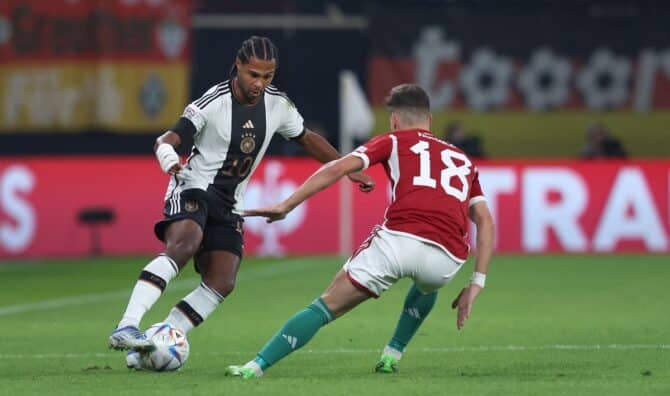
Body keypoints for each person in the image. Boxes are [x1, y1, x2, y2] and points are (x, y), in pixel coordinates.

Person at [107, 36, 375, 361]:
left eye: (268, 76)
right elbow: (168, 137)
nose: (260, 83)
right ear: (238, 66)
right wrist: (167, 154)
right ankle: (127, 325)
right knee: (184, 245)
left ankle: (159, 341)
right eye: (253, 74)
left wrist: (346, 166)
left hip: (231, 202)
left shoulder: (278, 105)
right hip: (194, 187)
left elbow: (306, 138)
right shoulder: (213, 101)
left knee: (221, 281)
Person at [225, 84, 495, 379]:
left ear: (394, 120)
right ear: (429, 120)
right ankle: (393, 353)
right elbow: (485, 221)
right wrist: (477, 283)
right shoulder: (463, 159)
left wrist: (287, 204)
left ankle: (255, 367)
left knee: (324, 307)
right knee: (426, 284)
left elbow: (337, 168)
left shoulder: (393, 140)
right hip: (445, 261)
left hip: (398, 244)